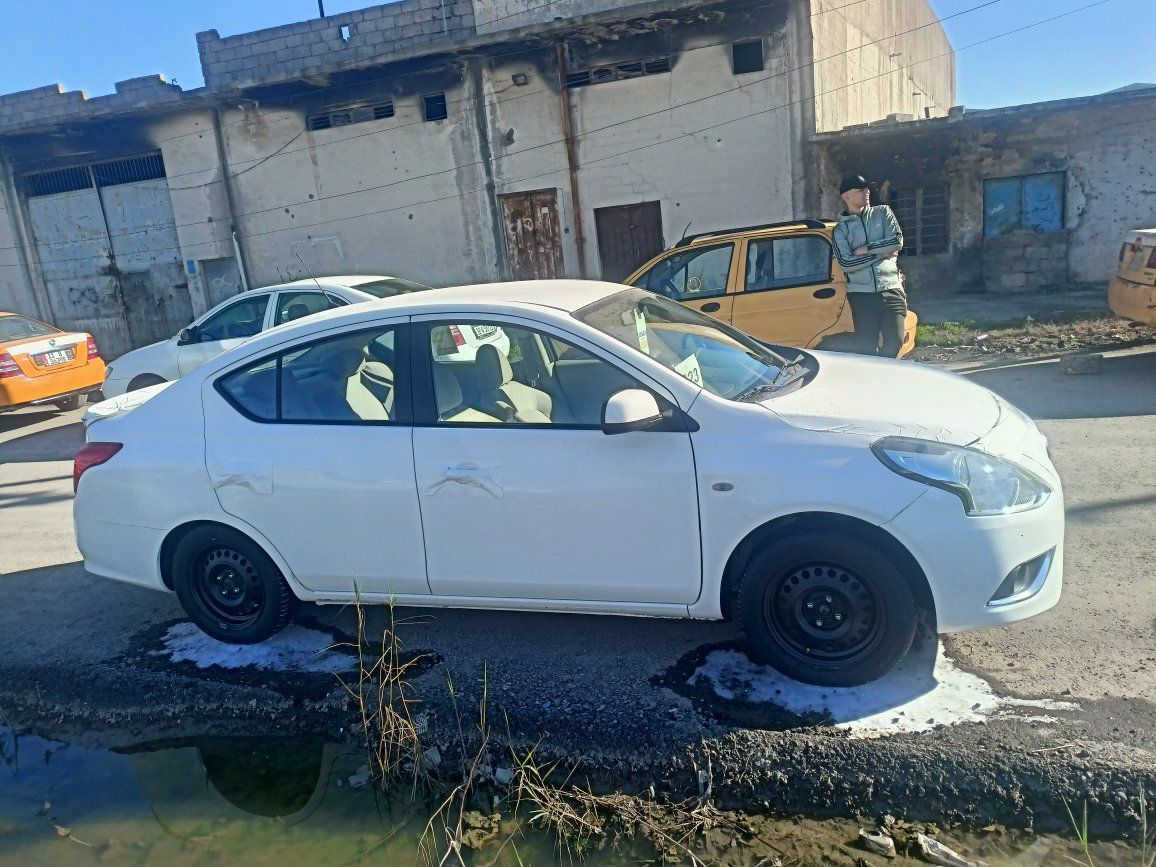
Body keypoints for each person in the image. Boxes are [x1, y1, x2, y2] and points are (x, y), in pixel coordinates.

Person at [831, 174, 908, 357]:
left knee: (895, 342)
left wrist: (867, 249)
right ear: (846, 196)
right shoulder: (841, 230)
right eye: (860, 190)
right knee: (866, 350)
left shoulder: (883, 213)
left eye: (867, 189)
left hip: (891, 289)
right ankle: (877, 374)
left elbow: (897, 241)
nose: (866, 192)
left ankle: (883, 372)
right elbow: (846, 263)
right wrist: (881, 254)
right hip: (862, 296)